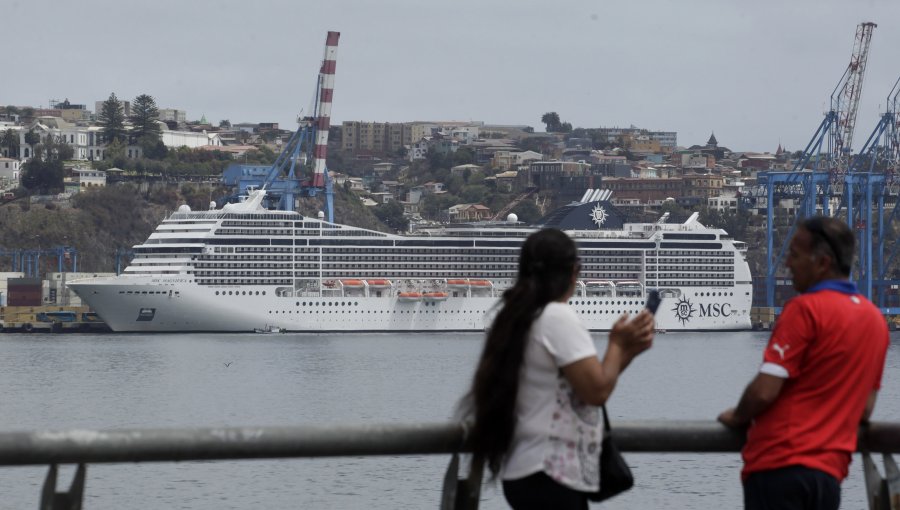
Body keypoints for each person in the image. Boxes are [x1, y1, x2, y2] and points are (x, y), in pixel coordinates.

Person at [461, 228, 654, 509]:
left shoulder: (520, 317)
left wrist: (626, 351)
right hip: (551, 473)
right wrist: (617, 344)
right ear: (574, 272)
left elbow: (582, 384)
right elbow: (596, 392)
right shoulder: (557, 317)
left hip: (523, 471)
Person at [718, 216, 889, 510]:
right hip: (829, 475)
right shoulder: (875, 321)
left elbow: (764, 391)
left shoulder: (804, 310)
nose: (787, 265)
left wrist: (737, 417)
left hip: (779, 468)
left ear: (822, 263)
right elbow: (865, 408)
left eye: (794, 255)